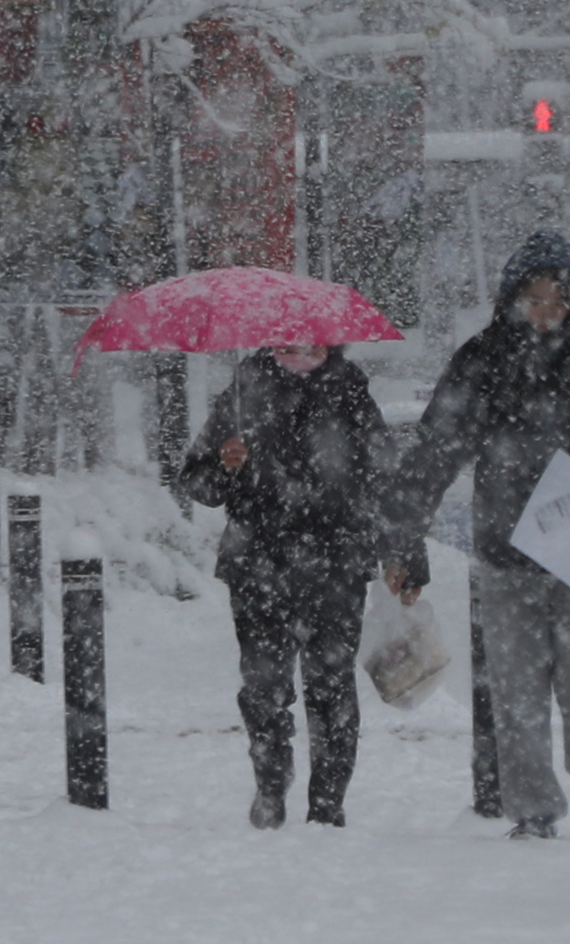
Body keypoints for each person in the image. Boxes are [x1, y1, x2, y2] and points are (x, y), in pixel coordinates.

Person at [390, 230, 570, 841]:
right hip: (506, 548)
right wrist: (405, 533)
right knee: (516, 692)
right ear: (512, 298)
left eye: (556, 297)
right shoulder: (484, 359)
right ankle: (534, 810)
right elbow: (436, 450)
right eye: (532, 296)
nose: (544, 309)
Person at [180, 341, 427, 830]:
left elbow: (388, 482)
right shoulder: (241, 392)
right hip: (257, 565)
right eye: (287, 340)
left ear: (329, 342)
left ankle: (327, 804)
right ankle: (271, 784)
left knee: (331, 688)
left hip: (336, 564)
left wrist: (405, 555)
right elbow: (197, 483)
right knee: (263, 688)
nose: (297, 350)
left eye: (309, 341)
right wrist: (224, 467)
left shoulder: (351, 394)